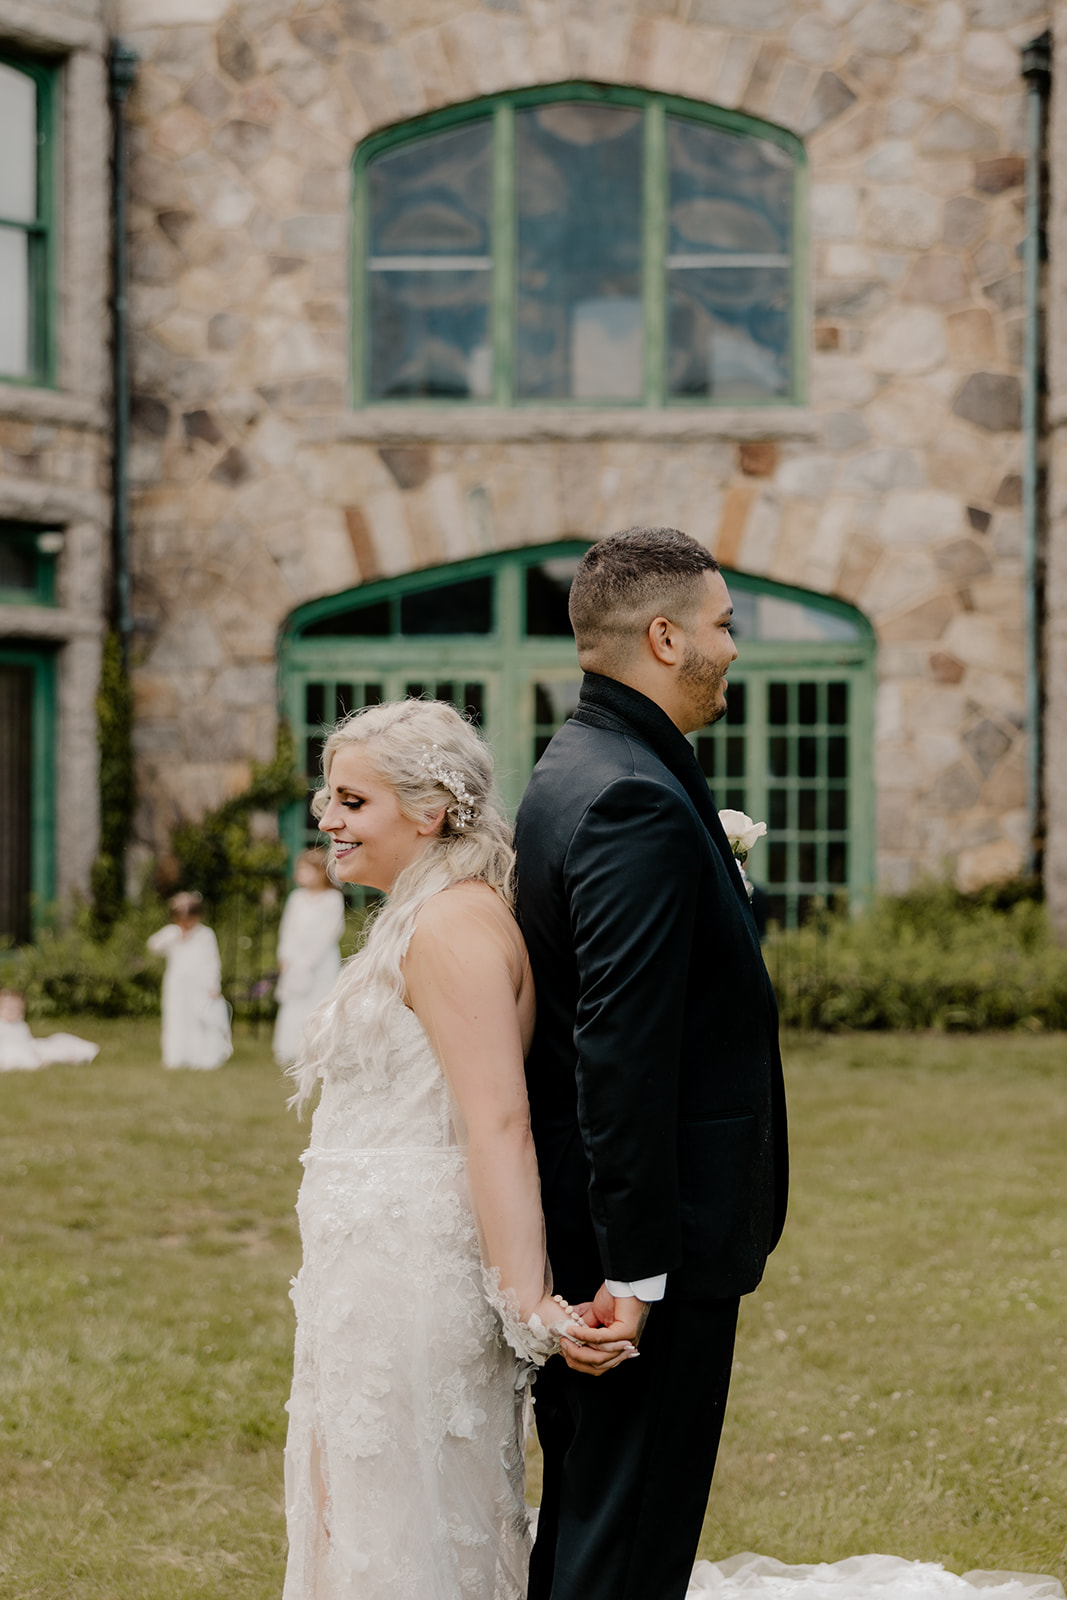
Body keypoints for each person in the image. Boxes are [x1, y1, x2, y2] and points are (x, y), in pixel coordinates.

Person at [281, 698, 624, 1600]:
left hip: (411, 1277)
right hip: (362, 1276)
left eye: (352, 801)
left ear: (429, 810)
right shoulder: (418, 914)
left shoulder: (452, 927)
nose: (326, 819)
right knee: (357, 1515)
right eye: (328, 797)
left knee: (404, 1525)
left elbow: (497, 1125)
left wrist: (529, 1305)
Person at [514, 527, 789, 1600]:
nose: (732, 646)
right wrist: (633, 1275)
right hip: (638, 1246)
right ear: (664, 636)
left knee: (594, 1520)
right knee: (628, 1542)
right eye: (723, 624)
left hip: (603, 1227)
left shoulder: (577, 764)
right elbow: (617, 1053)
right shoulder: (630, 796)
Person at [272, 847, 345, 1066]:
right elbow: (288, 929)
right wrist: (285, 955)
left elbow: (332, 931)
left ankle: (319, 1049)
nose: (301, 875)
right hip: (296, 959)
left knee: (319, 1000)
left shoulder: (332, 898)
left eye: (307, 870)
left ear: (321, 872)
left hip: (321, 962)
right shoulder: (296, 898)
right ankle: (290, 1047)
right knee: (294, 1002)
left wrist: (310, 961)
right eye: (300, 870)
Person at [147, 891, 232, 1071]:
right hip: (177, 985)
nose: (186, 925)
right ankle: (177, 1056)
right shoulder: (172, 933)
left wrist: (213, 985)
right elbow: (153, 945)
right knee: (176, 1017)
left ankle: (199, 1055)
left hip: (200, 986)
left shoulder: (205, 935)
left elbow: (212, 961)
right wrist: (173, 937)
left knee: (199, 1019)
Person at [0, 988, 99, 1070]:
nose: (15, 1012)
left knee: (53, 1043)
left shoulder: (21, 1025)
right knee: (18, 1056)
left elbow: (27, 1040)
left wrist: (32, 1049)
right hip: (9, 1052)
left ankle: (70, 1057)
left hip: (28, 1047)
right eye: (9, 1009)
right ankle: (41, 1062)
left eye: (18, 1009)